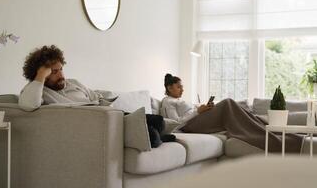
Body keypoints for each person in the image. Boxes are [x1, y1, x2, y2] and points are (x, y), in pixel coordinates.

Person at [18, 45, 173, 147]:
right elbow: (28, 104)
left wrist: (104, 101)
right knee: (151, 133)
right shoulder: (39, 91)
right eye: (54, 71)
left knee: (158, 121)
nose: (61, 75)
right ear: (41, 73)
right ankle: (156, 139)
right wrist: (39, 78)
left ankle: (155, 138)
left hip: (112, 116)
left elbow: (95, 97)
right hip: (96, 125)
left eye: (61, 69)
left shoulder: (73, 83)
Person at [161, 73, 303, 152]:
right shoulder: (168, 102)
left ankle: (273, 132)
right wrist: (198, 111)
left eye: (182, 87)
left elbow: (190, 113)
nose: (182, 89)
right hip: (189, 127)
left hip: (197, 119)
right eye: (178, 87)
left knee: (239, 109)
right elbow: (176, 123)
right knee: (228, 103)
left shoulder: (178, 100)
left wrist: (203, 109)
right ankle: (273, 139)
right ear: (169, 88)